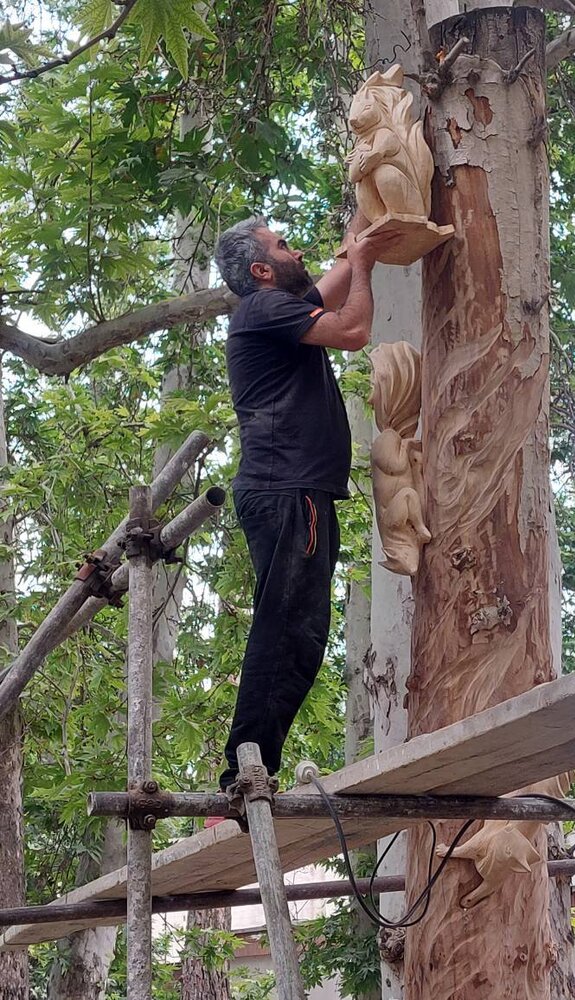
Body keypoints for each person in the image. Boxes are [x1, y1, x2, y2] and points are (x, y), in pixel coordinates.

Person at [213, 214, 398, 793]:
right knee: (289, 633)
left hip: (293, 491)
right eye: (282, 245)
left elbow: (328, 285)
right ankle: (244, 772)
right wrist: (364, 265)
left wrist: (360, 240)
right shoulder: (264, 309)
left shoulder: (274, 311)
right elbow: (351, 331)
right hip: (288, 490)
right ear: (262, 269)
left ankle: (249, 765)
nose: (297, 251)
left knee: (297, 632)